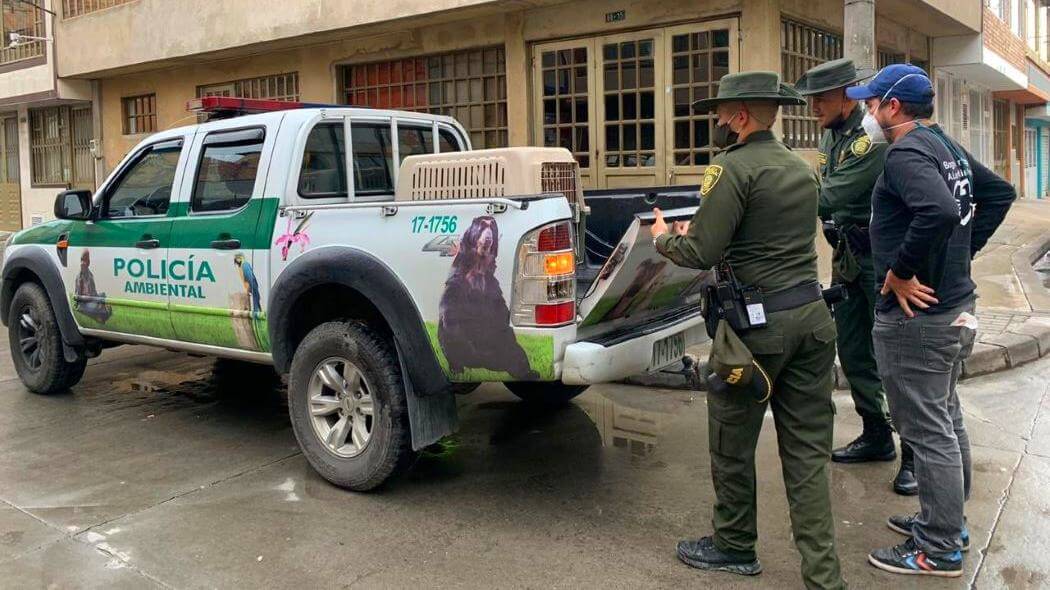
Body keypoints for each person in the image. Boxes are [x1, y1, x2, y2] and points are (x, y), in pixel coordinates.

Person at [652, 71, 846, 590]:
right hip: (812, 320)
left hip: (755, 334)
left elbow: (700, 252)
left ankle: (735, 545)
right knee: (807, 458)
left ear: (740, 116)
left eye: (720, 114)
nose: (716, 122)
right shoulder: (801, 170)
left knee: (732, 439)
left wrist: (661, 239)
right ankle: (825, 579)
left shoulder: (729, 168)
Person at [845, 64, 1014, 577]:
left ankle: (939, 547)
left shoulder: (905, 153)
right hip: (953, 308)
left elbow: (938, 212)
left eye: (871, 104)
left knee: (927, 430)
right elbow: (998, 194)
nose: (866, 113)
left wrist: (900, 270)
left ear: (894, 107)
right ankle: (947, 523)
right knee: (945, 418)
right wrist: (958, 258)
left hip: (919, 320)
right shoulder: (946, 147)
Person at [794, 58, 917, 495]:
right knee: (853, 348)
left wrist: (776, 196)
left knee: (893, 355)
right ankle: (877, 434)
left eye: (820, 98)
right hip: (848, 256)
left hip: (880, 259)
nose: (812, 107)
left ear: (846, 97)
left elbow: (830, 195)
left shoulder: (869, 139)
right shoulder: (831, 136)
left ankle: (915, 455)